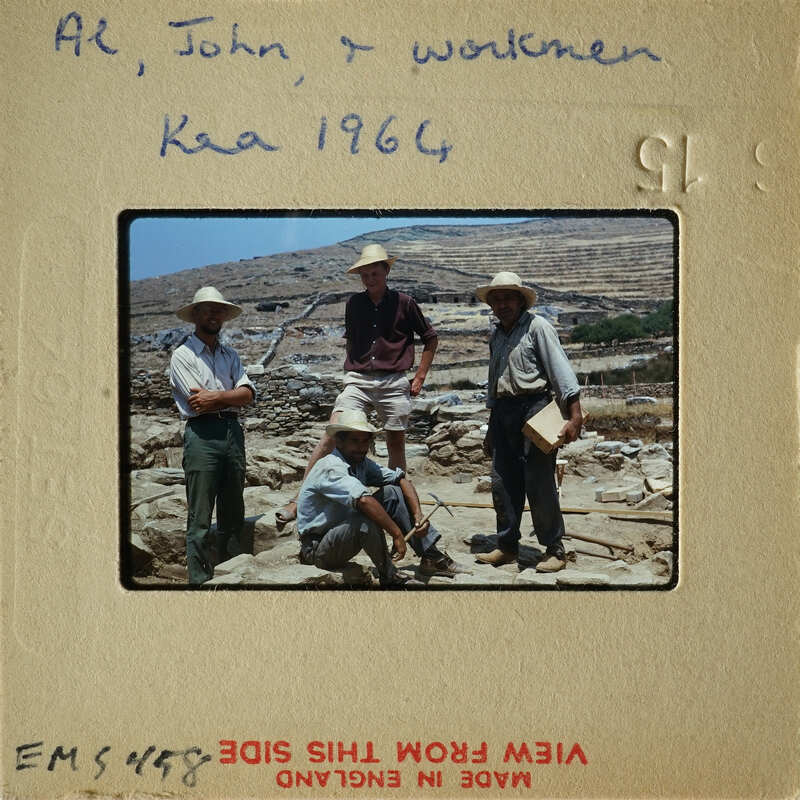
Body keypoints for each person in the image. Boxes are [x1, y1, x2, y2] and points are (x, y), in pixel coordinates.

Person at [276, 243, 439, 524]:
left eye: (374, 273)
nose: (369, 279)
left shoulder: (405, 302)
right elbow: (352, 339)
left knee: (395, 442)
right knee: (332, 433)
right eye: (365, 274)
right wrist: (352, 368)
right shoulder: (354, 303)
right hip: (358, 379)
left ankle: (396, 503)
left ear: (386, 271)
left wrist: (420, 376)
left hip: (393, 379)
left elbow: (430, 338)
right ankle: (300, 498)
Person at [474, 272, 583, 573]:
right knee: (503, 483)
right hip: (503, 413)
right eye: (497, 300)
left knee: (538, 481)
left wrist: (575, 416)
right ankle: (507, 547)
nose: (502, 304)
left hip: (535, 407)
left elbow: (561, 373)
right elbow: (495, 382)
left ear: (520, 300)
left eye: (508, 298)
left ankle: (554, 549)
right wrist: (491, 428)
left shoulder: (538, 327)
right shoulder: (496, 336)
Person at [296, 409, 465, 583]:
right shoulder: (331, 467)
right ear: (339, 441)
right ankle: (389, 575)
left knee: (392, 492)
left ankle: (431, 557)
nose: (361, 448)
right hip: (319, 549)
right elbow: (363, 500)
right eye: (354, 441)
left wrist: (418, 516)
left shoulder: (360, 462)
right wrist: (397, 534)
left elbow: (401, 480)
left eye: (365, 441)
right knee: (364, 519)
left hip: (341, 534)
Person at [169, 286, 256, 584]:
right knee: (201, 515)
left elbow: (247, 395)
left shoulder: (230, 355)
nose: (214, 314)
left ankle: (233, 575)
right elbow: (198, 402)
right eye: (208, 309)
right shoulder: (183, 356)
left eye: (218, 309)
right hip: (202, 434)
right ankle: (200, 580)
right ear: (195, 315)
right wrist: (231, 395)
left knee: (233, 509)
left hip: (232, 431)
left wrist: (219, 397)